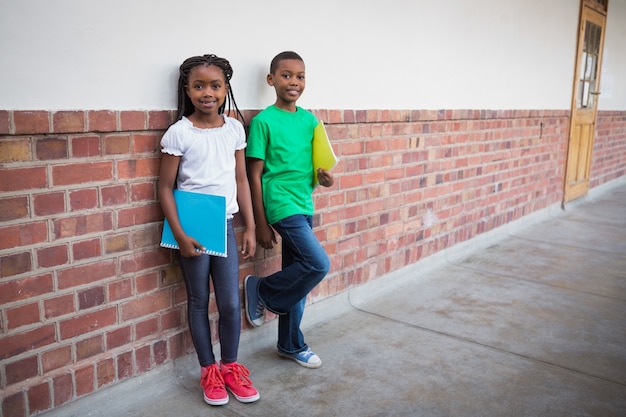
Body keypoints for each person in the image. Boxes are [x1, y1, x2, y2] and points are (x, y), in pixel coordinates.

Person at [158, 54, 259, 406]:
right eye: (198, 86)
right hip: (193, 229)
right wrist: (180, 235)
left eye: (215, 86)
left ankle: (231, 366)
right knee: (199, 300)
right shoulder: (179, 133)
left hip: (226, 224)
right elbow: (164, 188)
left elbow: (241, 179)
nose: (207, 93)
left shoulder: (233, 129)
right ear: (187, 90)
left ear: (226, 89)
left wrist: (250, 226)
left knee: (231, 303)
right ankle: (209, 370)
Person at [244, 51, 334, 369]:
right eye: (286, 75)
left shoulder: (310, 121)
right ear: (271, 80)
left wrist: (324, 177)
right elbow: (252, 175)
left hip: (303, 202)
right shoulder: (263, 122)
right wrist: (261, 222)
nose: (294, 82)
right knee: (318, 264)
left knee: (301, 276)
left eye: (300, 76)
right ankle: (262, 289)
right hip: (280, 204)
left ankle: (290, 344)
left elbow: (313, 166)